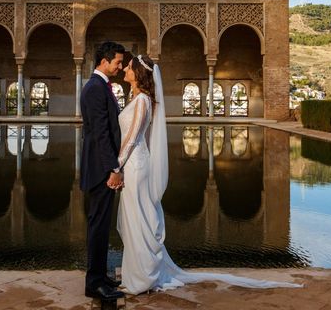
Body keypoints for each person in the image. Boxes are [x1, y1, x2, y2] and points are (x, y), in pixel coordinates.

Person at [116, 54, 302, 294]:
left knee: (138, 219)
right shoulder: (138, 98)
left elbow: (132, 138)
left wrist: (116, 165)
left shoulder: (142, 100)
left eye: (129, 68)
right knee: (135, 219)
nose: (124, 71)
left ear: (139, 74)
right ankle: (136, 274)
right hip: (134, 164)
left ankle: (143, 276)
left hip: (134, 165)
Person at [79, 41, 126, 301]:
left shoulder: (99, 86)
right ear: (104, 61)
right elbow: (100, 134)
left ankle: (100, 275)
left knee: (100, 224)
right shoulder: (95, 88)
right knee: (98, 226)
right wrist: (114, 168)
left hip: (100, 167)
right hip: (100, 169)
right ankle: (94, 283)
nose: (120, 67)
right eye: (117, 62)